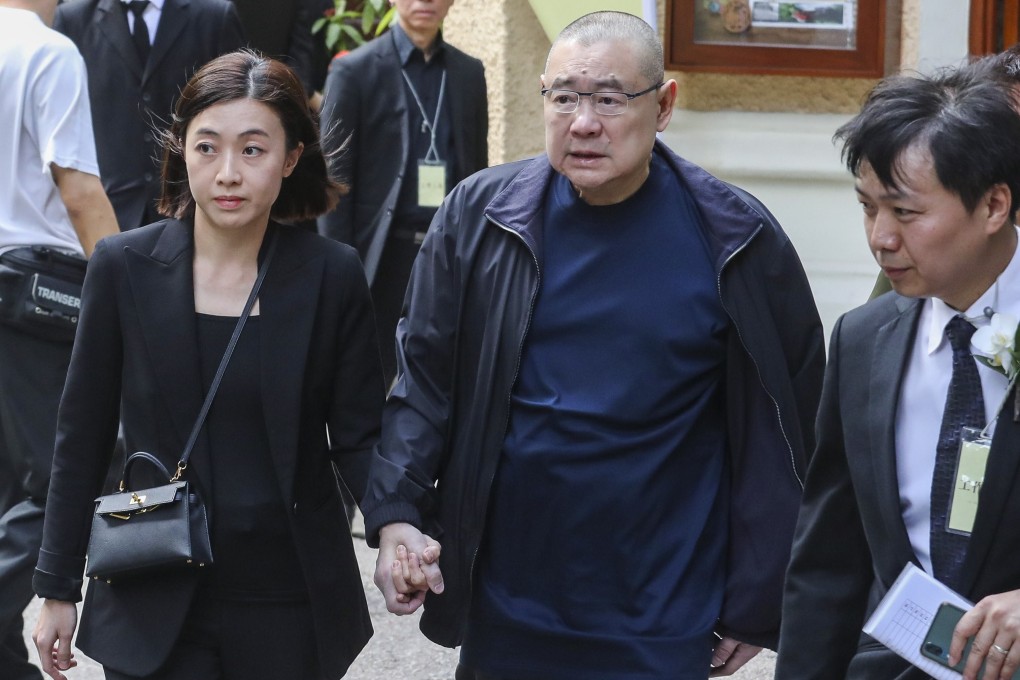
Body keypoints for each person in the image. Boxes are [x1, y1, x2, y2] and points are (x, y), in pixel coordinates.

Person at [361, 10, 825, 679]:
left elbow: (787, 430)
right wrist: (397, 512)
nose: (582, 122)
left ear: (663, 106)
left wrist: (757, 595)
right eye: (563, 98)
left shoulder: (737, 238)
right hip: (509, 590)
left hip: (663, 601)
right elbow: (423, 382)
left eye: (609, 99)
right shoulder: (479, 219)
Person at [31, 49, 384, 680]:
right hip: (154, 590)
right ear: (182, 149)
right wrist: (57, 585)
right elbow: (81, 435)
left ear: (291, 158)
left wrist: (397, 525)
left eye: (253, 150)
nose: (228, 173)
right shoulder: (122, 268)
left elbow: (359, 435)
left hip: (289, 597)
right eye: (207, 147)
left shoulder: (332, 275)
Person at [775, 60, 1020, 680]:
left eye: (905, 213)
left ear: (994, 205)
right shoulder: (863, 342)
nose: (880, 238)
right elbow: (828, 561)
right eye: (868, 208)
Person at [0, 1, 119, 678]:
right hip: (33, 295)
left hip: (21, 292)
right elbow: (78, 192)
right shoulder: (47, 50)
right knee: (62, 480)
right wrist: (130, 297)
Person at [317, 0, 488, 384]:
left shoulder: (468, 72)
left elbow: (478, 173)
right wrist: (342, 268)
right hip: (381, 256)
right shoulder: (354, 70)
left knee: (442, 378)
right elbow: (333, 182)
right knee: (369, 380)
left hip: (447, 253)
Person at [54, 0, 246, 232]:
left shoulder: (214, 16)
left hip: (191, 209)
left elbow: (239, 111)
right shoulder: (72, 19)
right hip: (105, 210)